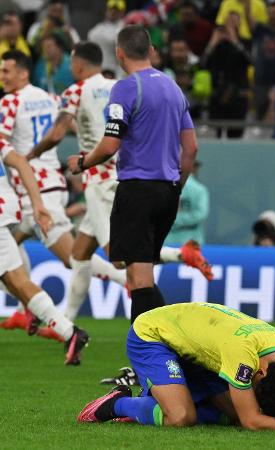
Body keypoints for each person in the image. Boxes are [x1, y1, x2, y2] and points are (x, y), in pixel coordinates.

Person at [28, 41, 212, 324]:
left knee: (123, 257)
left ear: (77, 64)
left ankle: (179, 257)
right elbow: (191, 147)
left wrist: (31, 155)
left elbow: (58, 134)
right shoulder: (120, 85)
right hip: (142, 178)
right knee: (80, 255)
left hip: (103, 179)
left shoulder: (79, 90)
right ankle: (65, 323)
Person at [67, 26, 198, 324]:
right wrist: (177, 188)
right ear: (151, 50)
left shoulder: (125, 88)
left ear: (119, 53)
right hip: (167, 191)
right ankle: (166, 351)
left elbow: (110, 145)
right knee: (143, 277)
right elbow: (191, 148)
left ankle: (148, 361)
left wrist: (83, 162)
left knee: (137, 280)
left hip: (137, 189)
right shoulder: (174, 89)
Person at [0, 50, 132, 334]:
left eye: (6, 71)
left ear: (24, 72)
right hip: (51, 182)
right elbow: (72, 123)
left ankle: (125, 280)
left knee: (72, 256)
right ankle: (26, 310)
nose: (2, 77)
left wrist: (30, 155)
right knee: (14, 239)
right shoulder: (49, 98)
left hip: (34, 188)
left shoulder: (10, 102)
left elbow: (3, 144)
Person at [78, 302, 275, 432]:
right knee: (181, 418)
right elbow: (252, 421)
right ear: (259, 373)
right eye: (255, 386)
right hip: (153, 335)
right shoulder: (242, 354)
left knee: (231, 414)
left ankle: (157, 399)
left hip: (199, 350)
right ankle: (117, 403)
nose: (252, 388)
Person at [0, 137, 88, 365]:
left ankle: (64, 329)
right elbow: (20, 162)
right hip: (7, 207)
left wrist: (39, 205)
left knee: (17, 280)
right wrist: (37, 204)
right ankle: (66, 330)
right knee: (14, 281)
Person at [203, 13, 251, 138]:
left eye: (234, 21)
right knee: (214, 132)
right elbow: (203, 63)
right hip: (217, 95)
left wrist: (234, 41)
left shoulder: (244, 42)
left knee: (236, 134)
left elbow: (249, 60)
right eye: (228, 21)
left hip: (237, 95)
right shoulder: (216, 44)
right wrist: (213, 43)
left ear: (239, 24)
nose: (230, 24)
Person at [165, 161, 210, 246]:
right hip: (191, 243)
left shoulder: (165, 187)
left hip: (166, 242)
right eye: (195, 166)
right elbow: (201, 214)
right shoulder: (200, 189)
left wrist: (174, 220)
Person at [87, 0, 126, 78]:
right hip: (98, 72)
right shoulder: (100, 26)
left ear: (122, 12)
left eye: (117, 10)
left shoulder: (124, 28)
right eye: (111, 9)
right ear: (107, 10)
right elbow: (91, 36)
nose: (113, 12)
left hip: (115, 72)